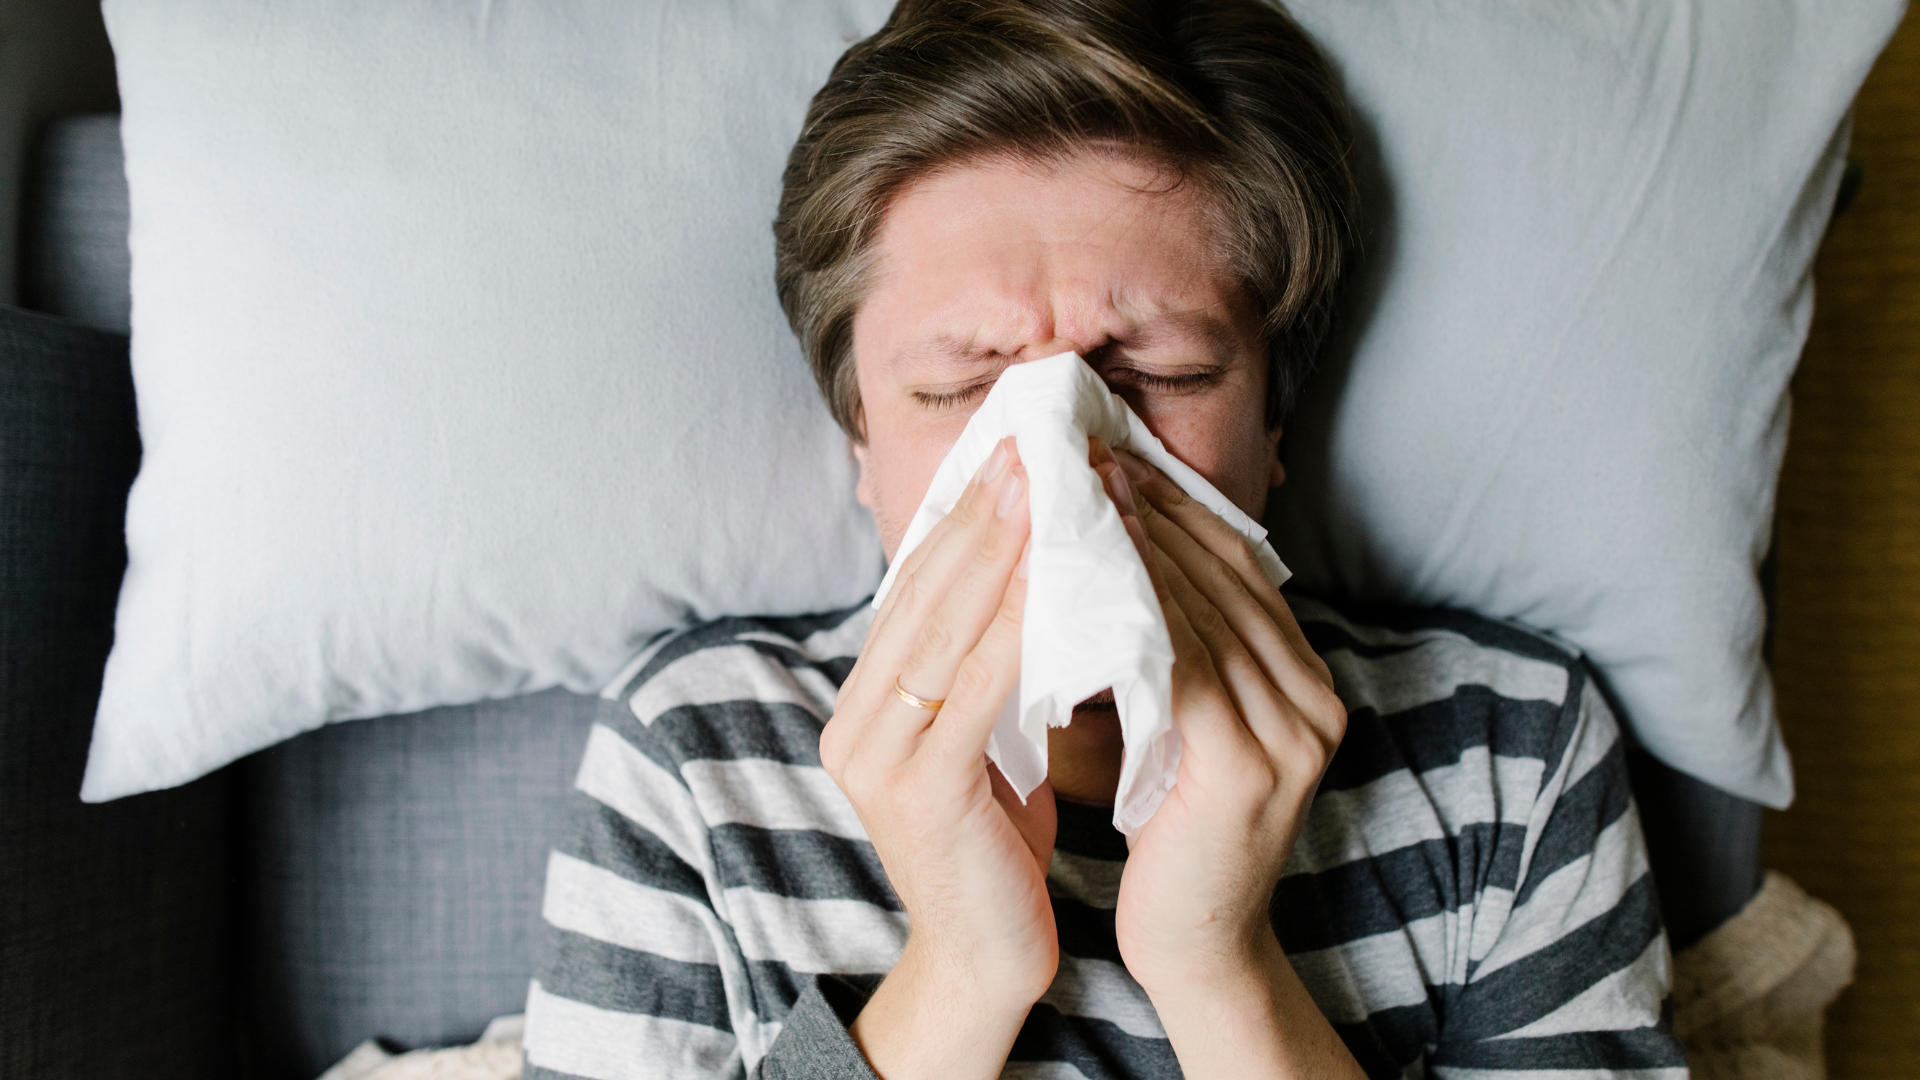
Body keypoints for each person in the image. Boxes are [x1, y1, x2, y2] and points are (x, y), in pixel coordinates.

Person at [522, 1, 1687, 1077]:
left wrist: (1220, 970)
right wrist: (963, 971)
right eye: (956, 385)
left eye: (1160, 375)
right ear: (860, 440)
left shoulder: (1509, 756)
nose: (1059, 463)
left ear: (1275, 420)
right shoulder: (695, 757)